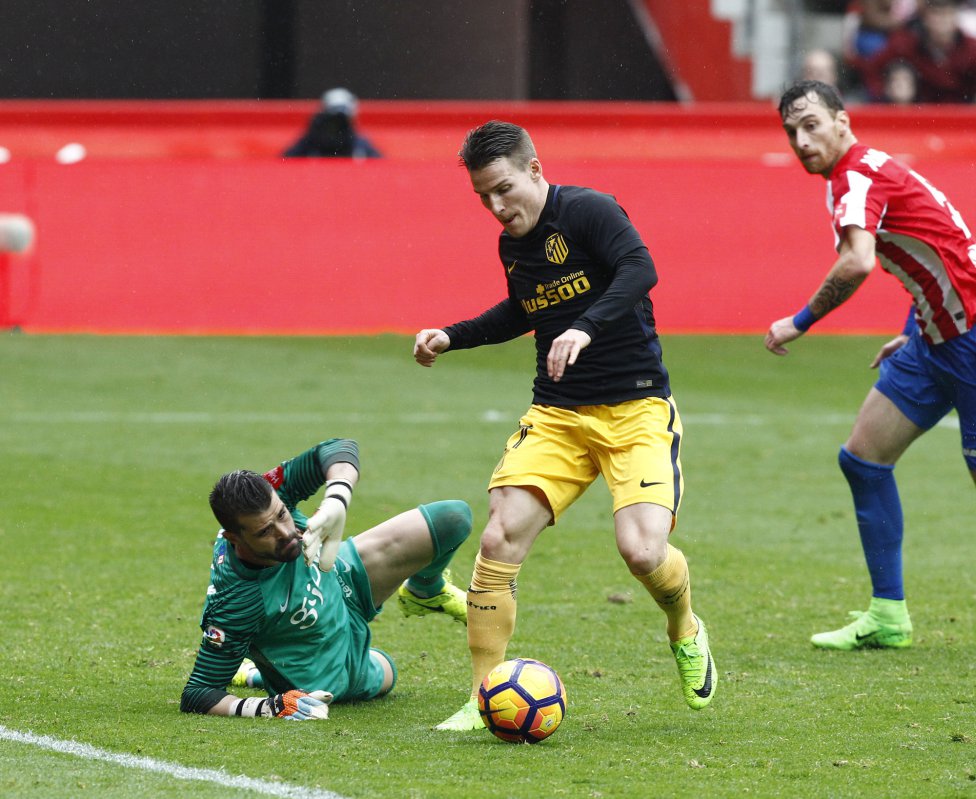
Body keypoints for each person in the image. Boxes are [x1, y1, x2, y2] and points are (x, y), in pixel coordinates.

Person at [413, 121, 716, 730]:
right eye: (483, 198)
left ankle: (684, 623)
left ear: (533, 169)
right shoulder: (514, 245)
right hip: (556, 414)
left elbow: (639, 268)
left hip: (635, 411)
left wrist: (586, 325)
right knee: (499, 539)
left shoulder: (589, 211)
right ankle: (483, 698)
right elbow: (523, 311)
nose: (497, 208)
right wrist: (453, 335)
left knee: (641, 551)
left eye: (503, 189)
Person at [765, 80, 976, 651]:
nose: (801, 140)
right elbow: (941, 249)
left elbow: (857, 263)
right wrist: (912, 331)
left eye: (811, 125)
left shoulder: (855, 177)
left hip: (971, 338)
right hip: (934, 339)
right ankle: (888, 616)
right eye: (791, 132)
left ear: (843, 121)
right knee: (863, 460)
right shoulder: (863, 171)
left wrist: (799, 321)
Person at [180, 438, 471, 719]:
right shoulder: (236, 601)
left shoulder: (274, 491)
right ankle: (257, 675)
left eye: (282, 514)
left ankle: (425, 590)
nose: (286, 532)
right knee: (387, 672)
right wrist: (268, 707)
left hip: (343, 575)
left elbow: (339, 448)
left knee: (453, 518)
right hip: (322, 660)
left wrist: (337, 498)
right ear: (234, 539)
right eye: (265, 532)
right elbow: (198, 693)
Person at [857, 0, 976, 102]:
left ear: (956, 18)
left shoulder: (971, 48)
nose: (942, 22)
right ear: (925, 19)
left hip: (964, 116)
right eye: (937, 15)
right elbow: (872, 68)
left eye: (947, 15)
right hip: (916, 117)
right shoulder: (906, 44)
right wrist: (884, 97)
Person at [282, 87, 382, 159]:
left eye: (342, 119)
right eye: (332, 119)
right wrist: (311, 135)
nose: (336, 124)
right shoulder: (311, 141)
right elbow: (283, 161)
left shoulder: (359, 144)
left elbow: (382, 166)